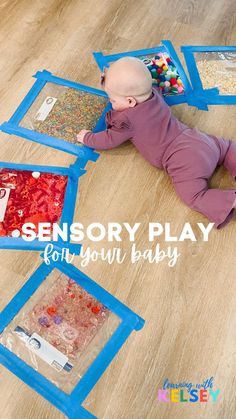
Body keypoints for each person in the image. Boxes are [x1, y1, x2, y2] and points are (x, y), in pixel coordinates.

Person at [76, 57, 236, 229]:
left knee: (194, 196)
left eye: (112, 100)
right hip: (198, 140)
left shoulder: (127, 121)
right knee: (226, 147)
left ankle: (231, 201)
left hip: (184, 160)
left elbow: (108, 139)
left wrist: (87, 137)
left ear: (130, 101)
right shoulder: (154, 93)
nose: (110, 103)